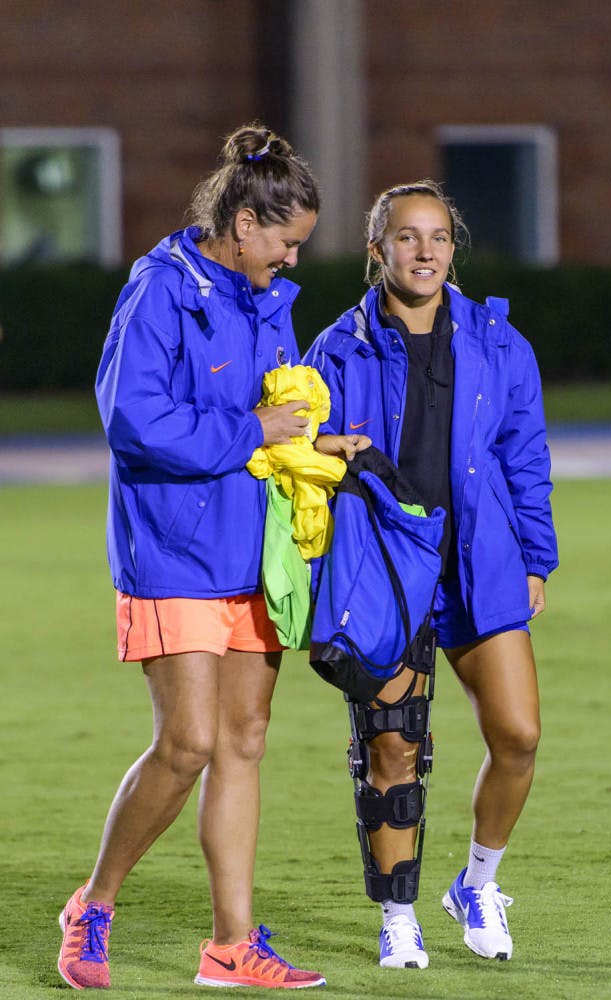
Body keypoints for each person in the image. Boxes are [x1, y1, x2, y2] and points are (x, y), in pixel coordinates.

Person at [57, 124, 329, 991]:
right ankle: (93, 905)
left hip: (254, 551)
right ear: (245, 221)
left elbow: (272, 418)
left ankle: (230, 946)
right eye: (285, 242)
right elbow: (132, 422)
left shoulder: (267, 301)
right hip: (173, 548)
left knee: (243, 741)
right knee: (188, 743)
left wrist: (315, 446)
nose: (290, 260)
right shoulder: (158, 290)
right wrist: (252, 431)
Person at [305, 180, 558, 970]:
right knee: (392, 750)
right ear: (376, 250)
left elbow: (524, 456)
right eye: (407, 238)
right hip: (383, 562)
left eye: (439, 237)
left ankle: (476, 882)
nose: (425, 251)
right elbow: (300, 461)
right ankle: (399, 915)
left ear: (454, 248)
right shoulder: (335, 346)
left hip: (476, 557)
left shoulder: (496, 340)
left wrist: (537, 559)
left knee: (517, 734)